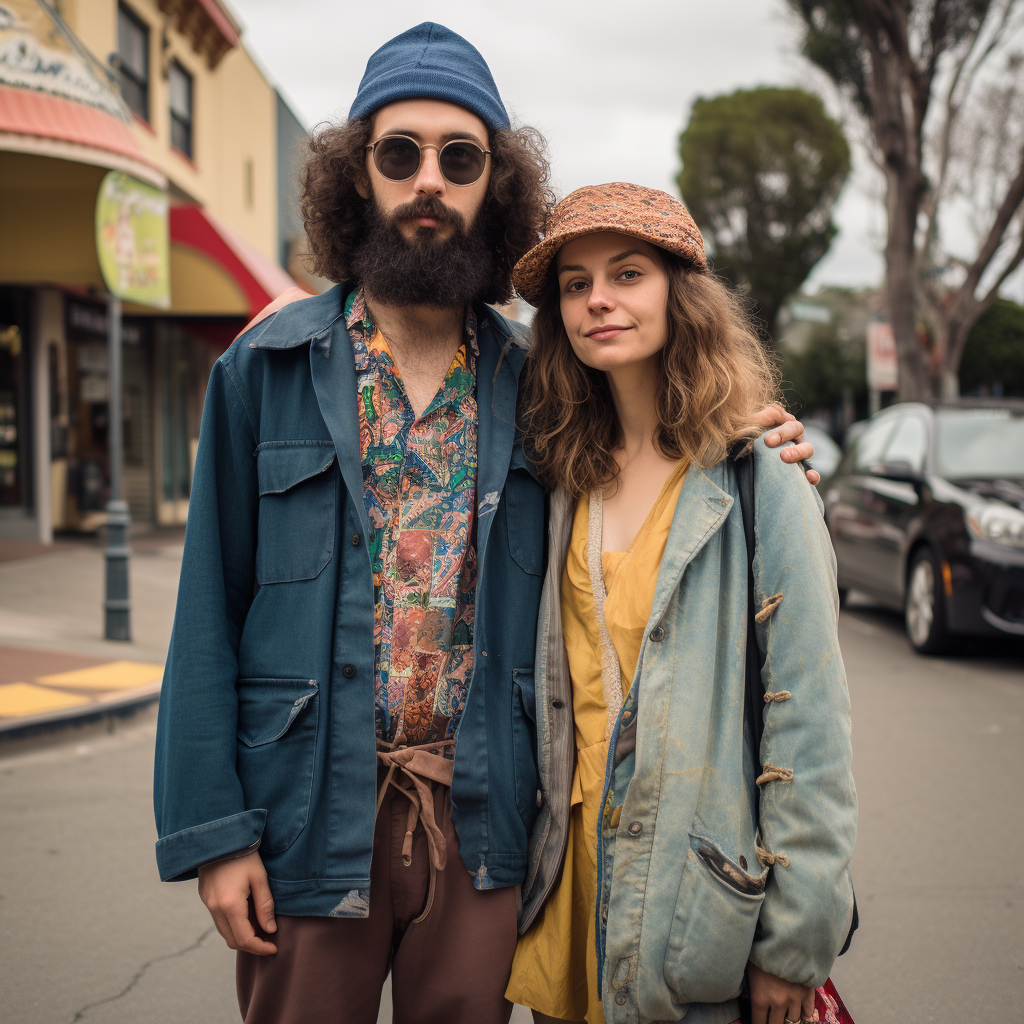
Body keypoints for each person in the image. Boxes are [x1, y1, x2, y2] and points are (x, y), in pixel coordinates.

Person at [152, 24, 819, 1024]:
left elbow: (659, 431)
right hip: (302, 810)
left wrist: (749, 429)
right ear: (355, 176)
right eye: (399, 153)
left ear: (493, 185)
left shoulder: (543, 382)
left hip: (487, 819)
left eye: (458, 158)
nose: (429, 179)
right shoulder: (263, 370)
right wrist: (216, 833)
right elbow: (207, 609)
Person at [505, 183, 857, 1024]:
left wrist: (797, 938)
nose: (599, 300)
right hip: (567, 889)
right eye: (575, 284)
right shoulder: (560, 475)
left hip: (690, 903)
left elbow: (808, 717)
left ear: (679, 293)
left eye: (628, 274)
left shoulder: (757, 474)